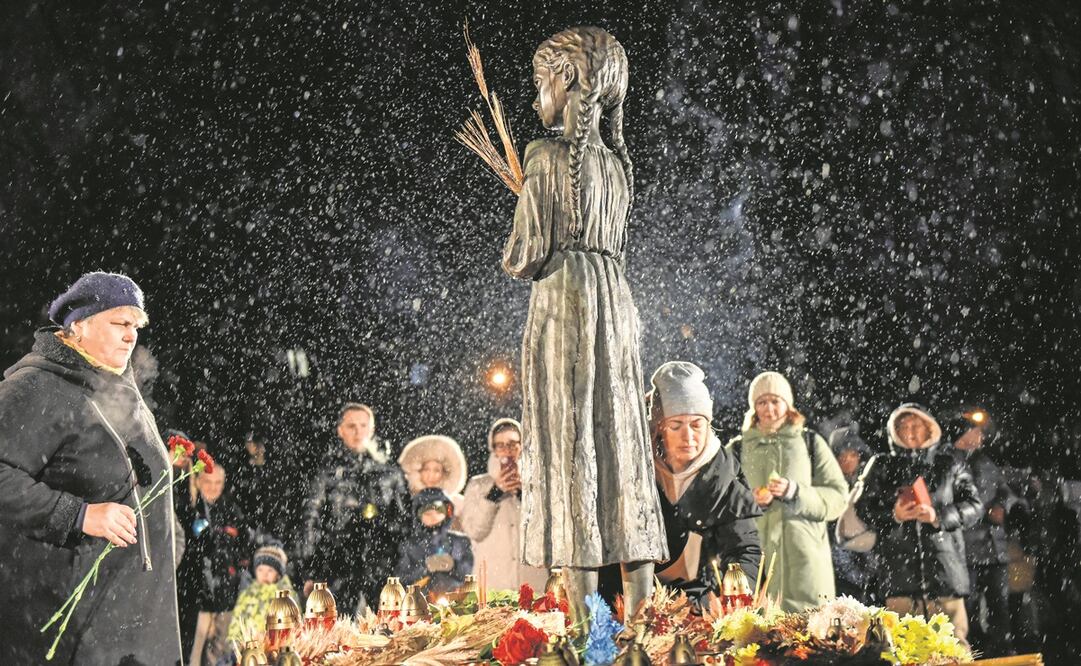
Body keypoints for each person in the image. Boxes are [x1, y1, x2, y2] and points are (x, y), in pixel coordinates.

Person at [505, 25, 667, 624]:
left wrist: (524, 199)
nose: (535, 99)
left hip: (565, 305)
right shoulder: (618, 167)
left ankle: (587, 637)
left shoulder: (544, 157)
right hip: (614, 303)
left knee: (571, 445)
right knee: (620, 445)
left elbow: (524, 255)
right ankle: (642, 629)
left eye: (541, 82)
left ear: (568, 78)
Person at [0, 271, 183, 663]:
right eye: (119, 323)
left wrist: (169, 538)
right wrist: (79, 515)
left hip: (136, 617)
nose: (131, 336)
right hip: (68, 620)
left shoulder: (121, 387)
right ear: (78, 326)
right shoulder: (35, 385)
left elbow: (136, 482)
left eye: (136, 326)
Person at [601, 362, 762, 607]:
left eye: (696, 425)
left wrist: (729, 601)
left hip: (699, 602)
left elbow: (744, 549)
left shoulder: (723, 474)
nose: (688, 437)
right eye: (676, 426)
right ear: (658, 429)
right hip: (627, 600)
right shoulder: (633, 470)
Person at [858, 403, 983, 646]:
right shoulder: (881, 465)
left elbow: (974, 506)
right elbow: (864, 508)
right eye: (903, 426)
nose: (910, 431)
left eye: (916, 425)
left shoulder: (950, 463)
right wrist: (894, 515)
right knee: (903, 650)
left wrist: (938, 516)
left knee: (952, 649)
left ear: (930, 428)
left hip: (945, 575)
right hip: (899, 578)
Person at [726, 371, 848, 612]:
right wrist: (748, 501)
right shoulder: (736, 449)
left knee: (810, 632)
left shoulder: (810, 443)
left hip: (807, 568)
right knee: (752, 630)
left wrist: (795, 492)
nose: (769, 409)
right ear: (753, 407)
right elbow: (719, 501)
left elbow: (838, 497)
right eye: (762, 402)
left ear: (788, 404)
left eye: (775, 401)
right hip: (751, 564)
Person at [301, 403, 409, 615]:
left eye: (363, 425)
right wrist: (310, 570)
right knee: (338, 626)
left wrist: (387, 539)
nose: (358, 432)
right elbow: (311, 519)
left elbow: (403, 520)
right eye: (351, 426)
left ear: (372, 429)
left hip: (381, 565)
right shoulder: (327, 471)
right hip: (336, 564)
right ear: (340, 430)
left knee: (386, 626)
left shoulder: (391, 472)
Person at [948, 407, 1022, 656]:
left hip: (993, 549)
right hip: (966, 550)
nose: (981, 436)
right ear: (964, 434)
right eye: (976, 431)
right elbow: (953, 505)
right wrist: (982, 514)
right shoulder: (949, 463)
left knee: (999, 604)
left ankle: (1002, 650)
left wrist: (1002, 505)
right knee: (965, 607)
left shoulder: (985, 461)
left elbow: (1004, 490)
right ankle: (970, 652)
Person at [459, 418, 549, 591]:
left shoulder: (537, 485)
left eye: (513, 444)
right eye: (500, 445)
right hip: (492, 583)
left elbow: (547, 530)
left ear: (522, 446)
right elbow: (474, 531)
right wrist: (494, 493)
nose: (507, 450)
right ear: (493, 449)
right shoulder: (478, 485)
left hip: (532, 582)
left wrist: (523, 494)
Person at [176, 463, 249, 666]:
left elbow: (244, 546)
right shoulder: (190, 507)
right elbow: (190, 548)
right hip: (197, 593)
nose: (213, 487)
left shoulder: (231, 509)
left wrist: (235, 569)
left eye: (218, 482)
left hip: (226, 592)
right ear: (199, 481)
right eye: (208, 481)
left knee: (221, 652)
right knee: (192, 651)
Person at [827, 422, 878, 603]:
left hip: (865, 554)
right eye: (842, 455)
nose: (848, 460)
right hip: (835, 560)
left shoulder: (868, 485)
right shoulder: (826, 485)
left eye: (853, 455)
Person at [396, 487, 474, 597]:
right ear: (418, 516)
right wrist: (424, 567)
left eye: (438, 512)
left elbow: (468, 573)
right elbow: (403, 577)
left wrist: (454, 565)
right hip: (421, 599)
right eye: (428, 513)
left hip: (454, 597)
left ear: (447, 513)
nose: (433, 517)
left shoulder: (459, 542)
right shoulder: (410, 545)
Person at [227, 540, 296, 646]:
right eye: (260, 570)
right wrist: (235, 643)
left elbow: (294, 625)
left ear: (278, 575)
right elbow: (237, 620)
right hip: (249, 648)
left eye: (270, 570)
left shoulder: (286, 598)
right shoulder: (247, 595)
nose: (264, 574)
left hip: (276, 647)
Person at [397, 434, 468, 526]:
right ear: (419, 471)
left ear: (444, 473)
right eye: (426, 469)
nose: (431, 475)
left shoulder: (458, 505)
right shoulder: (406, 502)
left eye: (436, 470)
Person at [231, 430, 278, 538]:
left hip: (269, 525)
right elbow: (239, 496)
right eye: (247, 443)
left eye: (251, 443)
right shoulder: (243, 470)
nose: (248, 446)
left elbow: (273, 498)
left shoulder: (272, 470)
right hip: (249, 525)